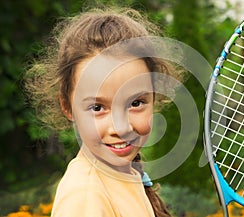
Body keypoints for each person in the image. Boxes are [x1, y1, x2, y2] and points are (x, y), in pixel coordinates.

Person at [25, 6, 182, 217]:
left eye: (136, 103)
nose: (121, 127)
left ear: (154, 97)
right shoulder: (85, 196)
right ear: (67, 107)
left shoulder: (126, 175)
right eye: (98, 108)